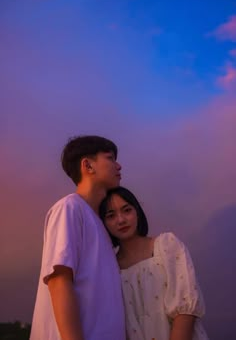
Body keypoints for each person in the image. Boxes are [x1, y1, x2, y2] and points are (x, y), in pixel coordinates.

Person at [30, 136, 126, 340]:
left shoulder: (100, 223)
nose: (119, 166)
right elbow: (59, 280)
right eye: (110, 158)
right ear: (88, 165)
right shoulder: (69, 208)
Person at [99, 186, 209, 340]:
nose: (121, 220)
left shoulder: (167, 246)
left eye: (127, 210)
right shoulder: (110, 267)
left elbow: (185, 311)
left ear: (137, 211)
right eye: (111, 215)